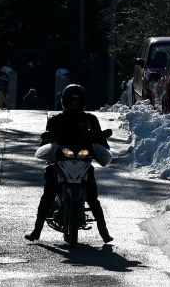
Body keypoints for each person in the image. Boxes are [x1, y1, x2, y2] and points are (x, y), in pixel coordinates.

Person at [25, 84, 113, 243]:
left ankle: (103, 231)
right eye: (71, 103)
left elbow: (102, 142)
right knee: (48, 193)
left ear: (83, 103)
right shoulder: (55, 121)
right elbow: (46, 142)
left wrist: (98, 145)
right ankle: (36, 230)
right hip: (61, 162)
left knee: (92, 197)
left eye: (77, 103)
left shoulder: (90, 119)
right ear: (64, 102)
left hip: (83, 161)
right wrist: (49, 145)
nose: (74, 106)